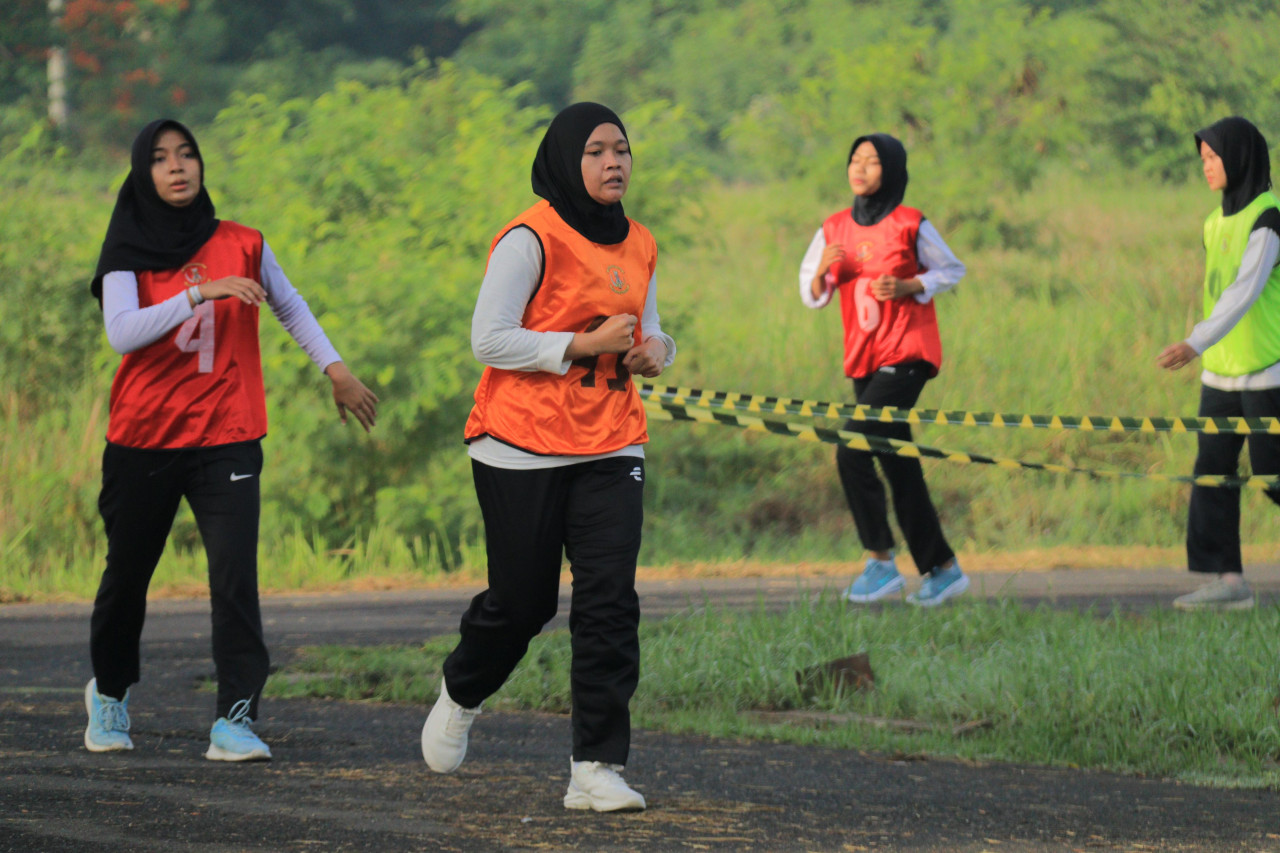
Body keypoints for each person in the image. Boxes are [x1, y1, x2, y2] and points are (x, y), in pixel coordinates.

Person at [84, 119, 378, 760]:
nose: (177, 166)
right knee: (127, 575)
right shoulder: (127, 251)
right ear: (143, 173)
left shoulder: (243, 243)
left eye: (187, 154)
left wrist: (336, 370)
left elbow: (290, 304)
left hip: (228, 434)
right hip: (144, 437)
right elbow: (123, 333)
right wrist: (199, 291)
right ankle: (109, 695)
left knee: (234, 579)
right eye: (161, 159)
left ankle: (235, 718)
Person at [419, 102, 676, 812]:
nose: (614, 162)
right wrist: (575, 346)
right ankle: (463, 687)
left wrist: (658, 351)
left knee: (608, 602)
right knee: (523, 602)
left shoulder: (640, 241)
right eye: (596, 151)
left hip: (612, 440)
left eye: (622, 149)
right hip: (520, 445)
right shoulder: (530, 237)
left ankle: (595, 766)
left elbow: (648, 331)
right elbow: (488, 339)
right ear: (568, 159)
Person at [798, 133, 967, 606]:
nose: (862, 168)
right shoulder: (833, 228)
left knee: (851, 449)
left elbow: (952, 270)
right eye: (856, 159)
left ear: (891, 170)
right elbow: (812, 293)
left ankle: (879, 561)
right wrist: (819, 273)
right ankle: (942, 568)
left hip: (908, 353)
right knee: (897, 461)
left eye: (873, 162)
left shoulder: (910, 223)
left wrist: (913, 284)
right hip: (865, 357)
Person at [1157, 116, 1280, 610]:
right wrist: (1208, 349)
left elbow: (1245, 292)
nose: (1206, 167)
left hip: (1266, 369)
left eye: (1214, 156)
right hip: (1220, 374)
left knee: (1273, 474)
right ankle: (1227, 581)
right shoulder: (1214, 221)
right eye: (1202, 158)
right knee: (1212, 472)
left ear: (1241, 155)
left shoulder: (1269, 218)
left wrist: (1195, 341)